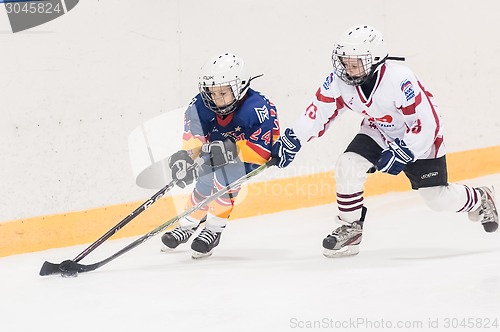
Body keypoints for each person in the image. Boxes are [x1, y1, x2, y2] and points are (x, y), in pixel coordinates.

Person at [272, 25, 498, 257]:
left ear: (376, 59)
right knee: (348, 164)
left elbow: (428, 123)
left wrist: (405, 150)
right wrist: (294, 138)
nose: (348, 69)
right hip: (379, 130)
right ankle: (351, 227)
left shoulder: (399, 79)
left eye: (355, 63)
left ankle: (480, 197)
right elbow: (317, 111)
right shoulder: (339, 82)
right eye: (345, 61)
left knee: (437, 199)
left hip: (418, 137)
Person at [161, 52, 280, 258]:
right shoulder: (199, 106)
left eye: (223, 93)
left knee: (227, 177)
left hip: (249, 152)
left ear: (240, 88)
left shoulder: (257, 108)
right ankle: (188, 224)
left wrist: (232, 150)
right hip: (216, 147)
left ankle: (213, 229)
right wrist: (186, 157)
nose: (216, 99)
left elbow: (261, 150)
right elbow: (195, 137)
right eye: (212, 93)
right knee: (205, 179)